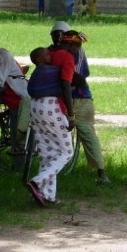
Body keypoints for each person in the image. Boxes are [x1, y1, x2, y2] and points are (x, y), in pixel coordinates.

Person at [25, 46, 76, 207]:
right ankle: (37, 182)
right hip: (50, 108)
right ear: (39, 59)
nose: (50, 54)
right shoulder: (55, 67)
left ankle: (47, 195)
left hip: (35, 108)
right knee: (66, 152)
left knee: (48, 153)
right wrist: (71, 116)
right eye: (46, 54)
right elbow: (65, 86)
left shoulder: (38, 72)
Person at [57, 30, 109, 184]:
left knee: (87, 134)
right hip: (79, 98)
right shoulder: (70, 55)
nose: (78, 48)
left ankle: (101, 172)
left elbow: (77, 80)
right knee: (89, 136)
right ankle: (101, 172)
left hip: (78, 100)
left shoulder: (67, 55)